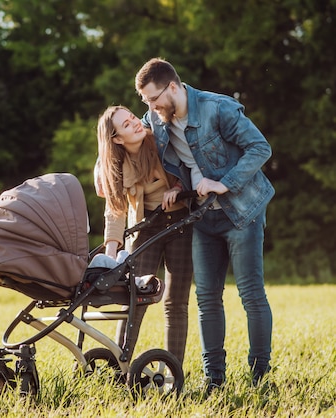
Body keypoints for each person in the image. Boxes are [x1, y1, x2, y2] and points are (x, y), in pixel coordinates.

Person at [134, 57, 275, 393]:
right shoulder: (158, 119)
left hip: (242, 211)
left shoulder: (217, 108)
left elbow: (260, 148)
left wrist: (223, 183)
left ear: (172, 87)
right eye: (146, 103)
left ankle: (261, 378)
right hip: (202, 216)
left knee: (251, 295)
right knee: (208, 299)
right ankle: (215, 380)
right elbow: (124, 136)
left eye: (154, 99)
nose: (151, 109)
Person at [95, 105, 192, 366]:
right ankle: (118, 367)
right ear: (117, 139)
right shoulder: (115, 164)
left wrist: (180, 187)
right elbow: (115, 212)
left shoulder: (160, 141)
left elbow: (188, 164)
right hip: (144, 228)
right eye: (126, 125)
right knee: (134, 301)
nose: (136, 124)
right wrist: (110, 257)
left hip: (180, 223)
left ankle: (172, 371)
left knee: (175, 303)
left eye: (133, 118)